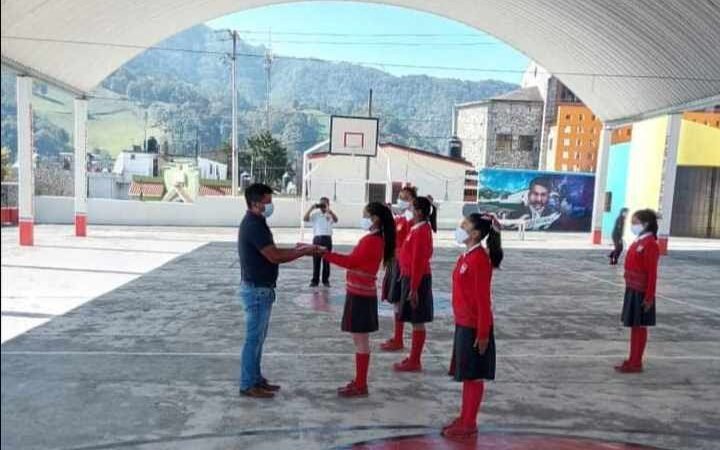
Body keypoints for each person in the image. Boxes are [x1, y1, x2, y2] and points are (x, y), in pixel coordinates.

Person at [238, 183, 323, 398]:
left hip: (261, 289)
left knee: (258, 339)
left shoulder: (258, 222)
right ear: (255, 203)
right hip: (257, 290)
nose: (270, 206)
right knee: (253, 340)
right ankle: (248, 384)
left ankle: (256, 379)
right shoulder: (254, 225)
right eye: (268, 202)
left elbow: (272, 252)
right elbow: (274, 256)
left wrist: (297, 249)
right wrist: (302, 252)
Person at [323, 202, 396, 397]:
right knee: (359, 340)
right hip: (360, 293)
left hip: (361, 296)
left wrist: (324, 254)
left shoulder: (372, 241)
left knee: (361, 341)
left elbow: (351, 262)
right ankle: (359, 381)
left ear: (375, 219)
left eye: (365, 215)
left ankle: (361, 384)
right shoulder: (375, 239)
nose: (362, 218)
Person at [442, 213, 503, 438]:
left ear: (475, 233)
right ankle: (465, 416)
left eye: (463, 226)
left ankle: (470, 422)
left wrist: (483, 332)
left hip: (475, 327)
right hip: (463, 324)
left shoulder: (479, 259)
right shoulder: (466, 257)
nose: (459, 229)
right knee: (467, 374)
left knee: (473, 376)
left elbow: (483, 300)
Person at [393, 196, 437, 372]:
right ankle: (413, 357)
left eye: (412, 207)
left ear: (418, 212)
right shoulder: (417, 228)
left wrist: (413, 288)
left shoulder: (421, 231)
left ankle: (415, 360)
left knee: (417, 320)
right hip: (410, 277)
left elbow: (418, 261)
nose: (409, 209)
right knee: (414, 319)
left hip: (416, 280)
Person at [615, 209, 660, 374]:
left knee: (640, 327)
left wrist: (649, 297)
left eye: (636, 222)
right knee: (634, 326)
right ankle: (632, 358)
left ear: (646, 224)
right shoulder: (638, 241)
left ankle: (637, 362)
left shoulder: (651, 244)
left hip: (642, 292)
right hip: (632, 289)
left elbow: (652, 274)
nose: (633, 225)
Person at [380, 185, 418, 351]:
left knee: (401, 301)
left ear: (412, 201)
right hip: (395, 261)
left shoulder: (412, 220)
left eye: (405, 197)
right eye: (400, 196)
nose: (401, 200)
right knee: (395, 300)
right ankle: (397, 337)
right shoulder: (401, 218)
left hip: (403, 263)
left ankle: (399, 339)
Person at [304, 197, 338, 287]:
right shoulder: (316, 214)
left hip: (327, 239)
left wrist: (329, 211)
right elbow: (305, 219)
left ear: (328, 204)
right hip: (317, 239)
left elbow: (336, 220)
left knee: (327, 260)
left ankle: (325, 280)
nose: (322, 206)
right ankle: (315, 281)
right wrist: (311, 208)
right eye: (321, 204)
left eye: (324, 204)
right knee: (316, 260)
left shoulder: (329, 214)